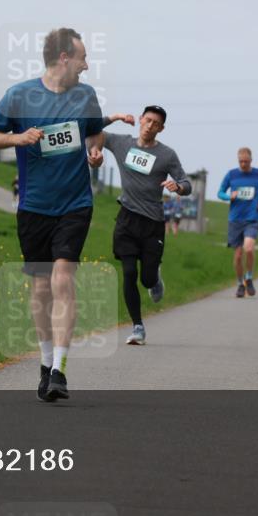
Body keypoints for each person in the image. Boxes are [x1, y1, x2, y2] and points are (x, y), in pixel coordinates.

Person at [0, 27, 103, 401]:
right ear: (64, 58)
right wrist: (16, 138)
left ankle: (61, 370)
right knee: (42, 288)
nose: (87, 64)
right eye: (83, 57)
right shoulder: (20, 95)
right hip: (34, 206)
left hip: (75, 204)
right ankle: (46, 364)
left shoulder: (86, 96)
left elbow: (95, 133)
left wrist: (95, 151)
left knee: (63, 278)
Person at [93, 106, 191, 345]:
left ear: (161, 128)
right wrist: (113, 119)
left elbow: (186, 182)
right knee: (128, 272)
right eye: (147, 120)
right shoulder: (121, 143)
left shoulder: (167, 154)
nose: (150, 125)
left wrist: (177, 187)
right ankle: (138, 327)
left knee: (146, 279)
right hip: (126, 218)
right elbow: (91, 131)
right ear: (140, 120)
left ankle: (155, 278)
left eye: (156, 123)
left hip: (153, 223)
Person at [217, 147, 258, 298]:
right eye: (240, 161)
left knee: (248, 248)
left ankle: (249, 277)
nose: (243, 164)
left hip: (252, 217)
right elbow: (220, 192)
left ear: (251, 160)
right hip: (235, 219)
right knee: (237, 256)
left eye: (246, 161)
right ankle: (239, 283)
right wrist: (230, 196)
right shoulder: (232, 174)